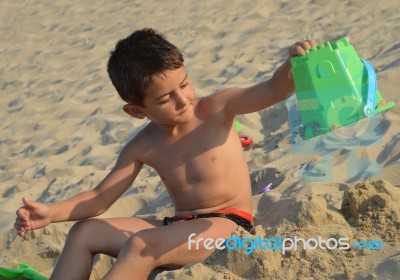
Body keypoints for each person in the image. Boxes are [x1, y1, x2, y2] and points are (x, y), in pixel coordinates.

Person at [14, 28, 315, 279]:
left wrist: (292, 63)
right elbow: (99, 198)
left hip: (227, 226)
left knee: (140, 246)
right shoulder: (142, 145)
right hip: (178, 227)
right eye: (165, 98)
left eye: (184, 84)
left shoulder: (217, 108)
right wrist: (51, 213)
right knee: (84, 233)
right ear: (136, 111)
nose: (183, 99)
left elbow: (274, 89)